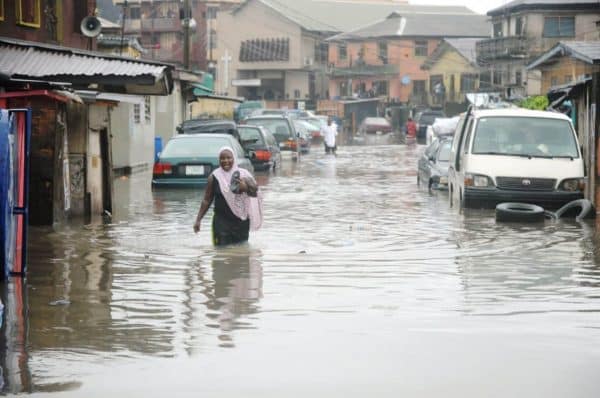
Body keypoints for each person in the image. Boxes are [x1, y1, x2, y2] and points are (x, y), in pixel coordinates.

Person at [193, 147, 263, 246]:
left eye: (229, 158)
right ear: (219, 160)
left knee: (241, 253)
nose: (226, 161)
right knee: (221, 253)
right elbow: (206, 200)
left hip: (241, 222)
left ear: (234, 158)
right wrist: (198, 220)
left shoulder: (244, 174)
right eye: (222, 158)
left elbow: (256, 193)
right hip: (221, 222)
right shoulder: (214, 177)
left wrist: (246, 187)